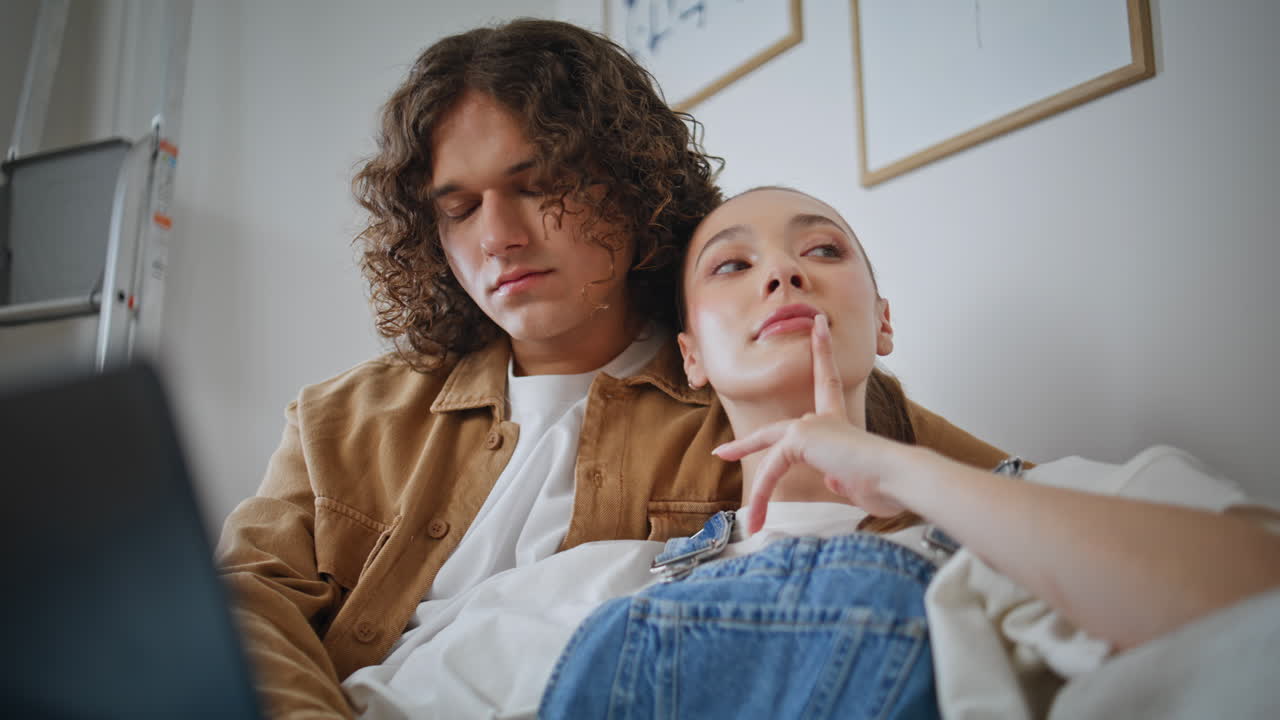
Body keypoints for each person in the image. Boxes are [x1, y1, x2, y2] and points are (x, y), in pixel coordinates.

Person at [214, 20, 1008, 719]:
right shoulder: (339, 422)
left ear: (634, 187)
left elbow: (1028, 513)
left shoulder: (766, 388)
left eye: (538, 187)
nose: (498, 237)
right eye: (458, 208)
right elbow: (242, 608)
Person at [341, 187, 1280, 719]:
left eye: (820, 249)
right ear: (692, 359)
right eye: (732, 265)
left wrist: (901, 473)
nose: (784, 271)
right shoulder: (589, 586)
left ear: (885, 324)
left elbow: (1256, 603)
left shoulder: (1051, 512)